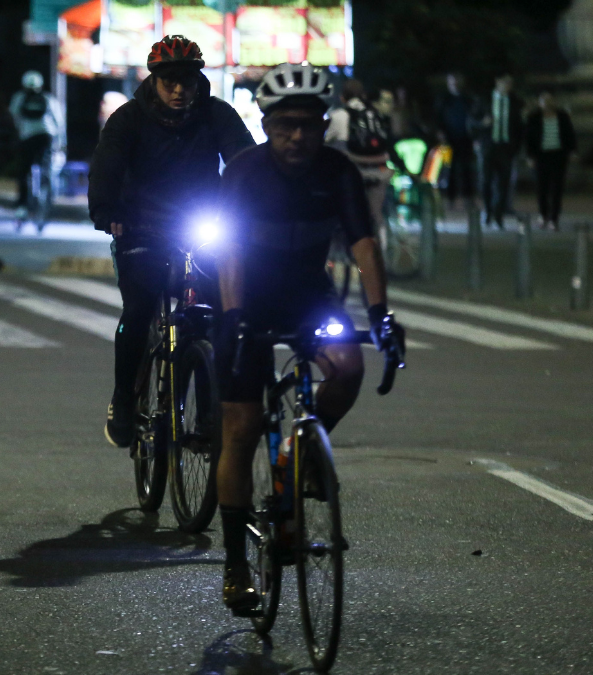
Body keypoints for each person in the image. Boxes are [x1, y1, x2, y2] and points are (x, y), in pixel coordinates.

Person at [213, 63, 402, 615]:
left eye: (310, 125)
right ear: (268, 125)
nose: (298, 137)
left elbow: (363, 243)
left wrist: (381, 314)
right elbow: (228, 250)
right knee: (242, 426)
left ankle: (297, 454)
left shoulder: (337, 171)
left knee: (348, 368)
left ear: (324, 126)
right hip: (245, 296)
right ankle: (234, 565)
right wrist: (233, 315)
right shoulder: (245, 173)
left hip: (306, 295)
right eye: (285, 125)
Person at [88, 34, 255, 448]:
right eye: (170, 81)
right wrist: (108, 213)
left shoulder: (217, 114)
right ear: (155, 80)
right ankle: (123, 399)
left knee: (220, 311)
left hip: (202, 225)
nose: (179, 89)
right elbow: (106, 168)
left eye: (187, 80)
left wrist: (257, 204)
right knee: (140, 307)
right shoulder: (128, 119)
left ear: (199, 80)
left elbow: (244, 161)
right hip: (142, 227)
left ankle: (211, 408)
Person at [325, 78, 407, 243]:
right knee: (375, 212)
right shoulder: (376, 115)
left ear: (342, 97)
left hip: (351, 173)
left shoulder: (339, 116)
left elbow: (325, 141)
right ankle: (380, 245)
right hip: (378, 171)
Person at [8, 70, 64, 222]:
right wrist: (60, 142)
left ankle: (22, 207)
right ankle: (46, 193)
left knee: (24, 171)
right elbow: (58, 121)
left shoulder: (19, 97)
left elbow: (13, 118)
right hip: (46, 136)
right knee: (46, 168)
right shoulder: (48, 98)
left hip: (26, 137)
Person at [526, 91, 577, 232]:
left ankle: (554, 218)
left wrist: (572, 151)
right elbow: (529, 139)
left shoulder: (562, 116)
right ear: (539, 103)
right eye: (544, 100)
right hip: (541, 157)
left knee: (557, 189)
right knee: (541, 188)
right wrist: (530, 156)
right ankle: (543, 215)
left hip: (558, 156)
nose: (547, 103)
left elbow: (570, 134)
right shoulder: (534, 117)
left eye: (550, 100)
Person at [481, 74, 524, 230]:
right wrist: (482, 125)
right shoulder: (485, 100)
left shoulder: (515, 103)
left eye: (510, 83)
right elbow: (472, 121)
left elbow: (519, 128)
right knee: (486, 181)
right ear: (497, 83)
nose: (508, 86)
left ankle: (498, 215)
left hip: (506, 148)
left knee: (503, 183)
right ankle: (488, 211)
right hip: (488, 147)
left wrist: (515, 148)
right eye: (505, 83)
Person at [435, 73, 480, 212]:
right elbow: (437, 118)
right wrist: (440, 133)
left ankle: (468, 199)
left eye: (456, 81)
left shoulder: (468, 99)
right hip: (449, 140)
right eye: (451, 82)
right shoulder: (444, 99)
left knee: (467, 169)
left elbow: (475, 117)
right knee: (450, 169)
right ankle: (450, 199)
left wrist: (475, 137)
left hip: (466, 139)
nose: (454, 84)